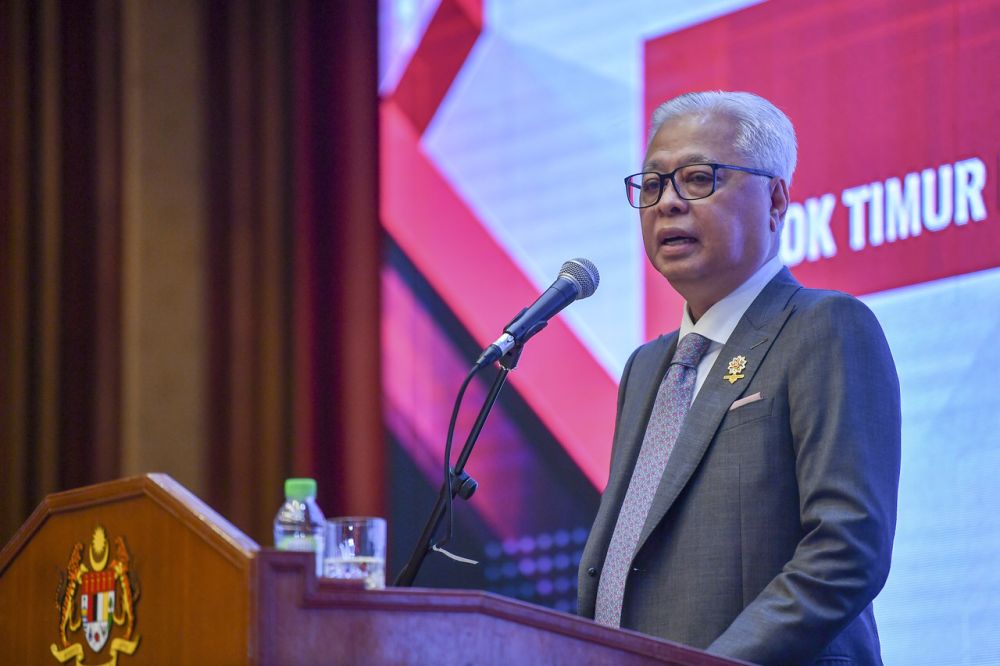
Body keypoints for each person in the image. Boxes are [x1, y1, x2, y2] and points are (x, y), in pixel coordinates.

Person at [577, 91, 901, 665]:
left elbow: (845, 550)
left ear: (776, 200)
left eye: (697, 178)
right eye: (652, 186)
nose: (668, 204)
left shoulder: (823, 328)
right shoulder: (647, 368)